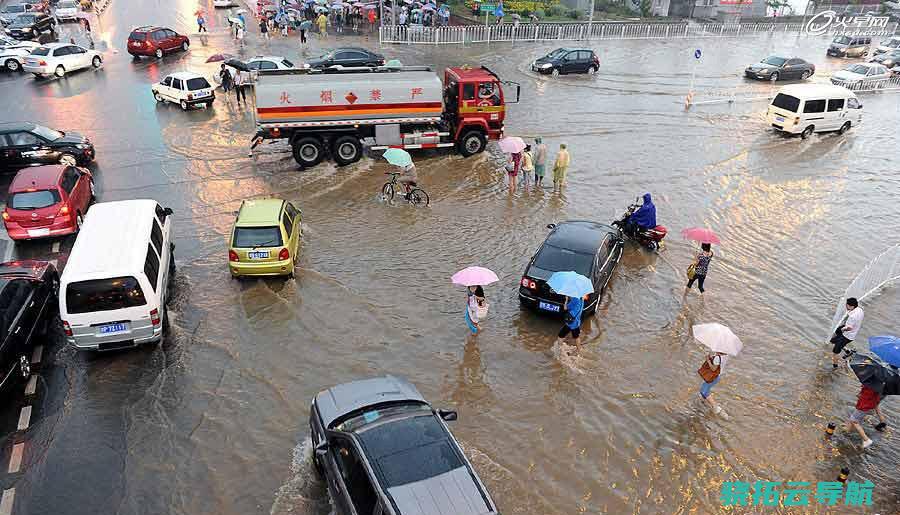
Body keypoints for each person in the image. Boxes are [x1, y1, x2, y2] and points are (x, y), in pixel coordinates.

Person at [845, 384, 886, 449]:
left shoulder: (872, 385)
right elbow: (876, 399)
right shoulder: (878, 387)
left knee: (854, 419)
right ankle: (847, 431)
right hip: (868, 405)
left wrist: (861, 393)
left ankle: (866, 439)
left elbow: (866, 395)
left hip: (864, 406)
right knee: (857, 419)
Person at [831, 297, 864, 369]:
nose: (846, 306)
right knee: (833, 340)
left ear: (852, 306)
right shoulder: (860, 310)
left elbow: (849, 328)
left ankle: (835, 367)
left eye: (847, 305)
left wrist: (842, 329)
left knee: (835, 352)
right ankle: (848, 352)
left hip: (847, 336)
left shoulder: (852, 317)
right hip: (853, 334)